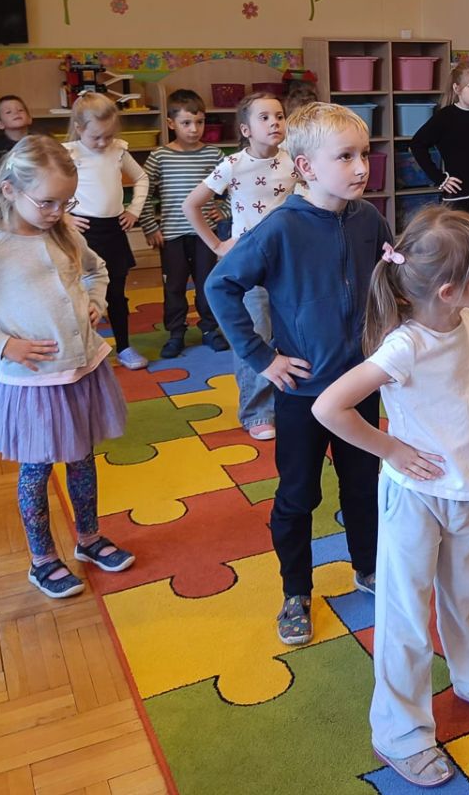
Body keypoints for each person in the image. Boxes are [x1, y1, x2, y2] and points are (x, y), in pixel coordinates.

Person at [313, 207, 469, 789]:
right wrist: (389, 448)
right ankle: (400, 732)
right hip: (415, 497)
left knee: (464, 597)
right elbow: (329, 406)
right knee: (407, 616)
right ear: (448, 290)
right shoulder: (405, 346)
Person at [206, 102, 391, 646]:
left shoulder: (369, 219)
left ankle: (368, 568)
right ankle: (295, 591)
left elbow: (390, 279)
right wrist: (262, 358)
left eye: (364, 155)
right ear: (306, 166)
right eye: (346, 157)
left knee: (364, 486)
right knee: (297, 495)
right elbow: (221, 286)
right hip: (303, 393)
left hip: (360, 386)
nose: (362, 167)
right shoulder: (281, 227)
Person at [0, 135, 134, 599]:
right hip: (35, 383)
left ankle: (89, 538)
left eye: (65, 202)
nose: (57, 211)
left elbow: (96, 270)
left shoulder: (63, 232)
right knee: (37, 471)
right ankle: (42, 561)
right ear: (10, 191)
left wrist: (95, 301)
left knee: (82, 459)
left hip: (82, 369)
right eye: (47, 202)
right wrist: (3, 345)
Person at [184, 92, 296, 440]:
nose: (275, 122)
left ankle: (292, 399)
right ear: (246, 130)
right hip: (251, 265)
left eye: (279, 115)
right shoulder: (232, 165)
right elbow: (191, 205)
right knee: (255, 333)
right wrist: (217, 246)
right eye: (265, 117)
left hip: (290, 262)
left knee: (291, 330)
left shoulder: (294, 160)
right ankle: (257, 410)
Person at [140, 89, 229, 359]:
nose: (194, 129)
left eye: (199, 122)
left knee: (207, 283)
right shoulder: (159, 156)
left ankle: (210, 329)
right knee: (174, 287)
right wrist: (150, 226)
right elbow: (144, 192)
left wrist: (223, 210)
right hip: (172, 236)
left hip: (206, 235)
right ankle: (176, 332)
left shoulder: (213, 155)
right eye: (186, 123)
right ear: (171, 123)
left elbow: (234, 187)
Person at [63, 92, 150, 370]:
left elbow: (141, 177)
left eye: (108, 136)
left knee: (116, 293)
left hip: (113, 232)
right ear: (79, 128)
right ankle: (84, 349)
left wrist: (134, 210)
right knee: (80, 294)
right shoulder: (68, 154)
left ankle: (124, 347)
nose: (103, 143)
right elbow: (49, 188)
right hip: (81, 233)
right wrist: (64, 217)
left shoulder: (118, 150)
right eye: (96, 137)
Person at [409, 59, 469, 212]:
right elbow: (417, 144)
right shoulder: (445, 117)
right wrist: (439, 178)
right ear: (457, 88)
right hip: (456, 196)